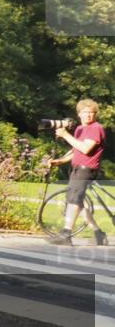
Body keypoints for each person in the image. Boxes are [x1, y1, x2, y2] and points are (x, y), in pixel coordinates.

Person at [48, 99, 107, 245]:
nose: (89, 115)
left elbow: (86, 149)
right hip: (77, 168)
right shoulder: (80, 129)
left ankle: (66, 234)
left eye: (92, 113)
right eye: (86, 112)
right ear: (79, 113)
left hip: (86, 169)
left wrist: (65, 135)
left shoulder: (96, 128)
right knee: (77, 202)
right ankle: (99, 234)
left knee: (74, 200)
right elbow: (76, 150)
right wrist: (60, 161)